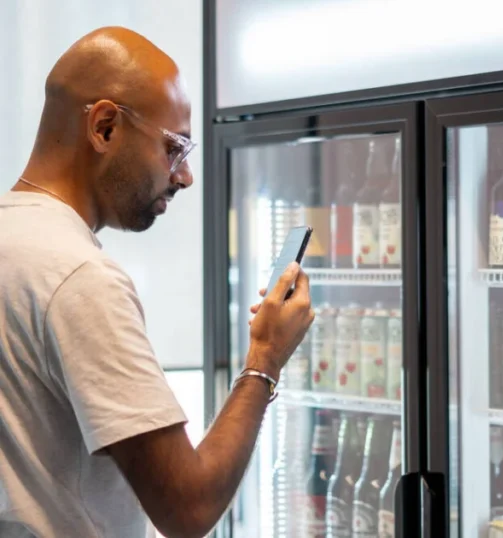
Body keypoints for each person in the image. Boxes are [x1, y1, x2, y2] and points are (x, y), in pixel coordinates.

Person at [0, 27, 314, 538]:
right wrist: (265, 358)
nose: (185, 176)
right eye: (174, 148)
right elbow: (187, 509)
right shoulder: (79, 278)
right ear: (104, 127)